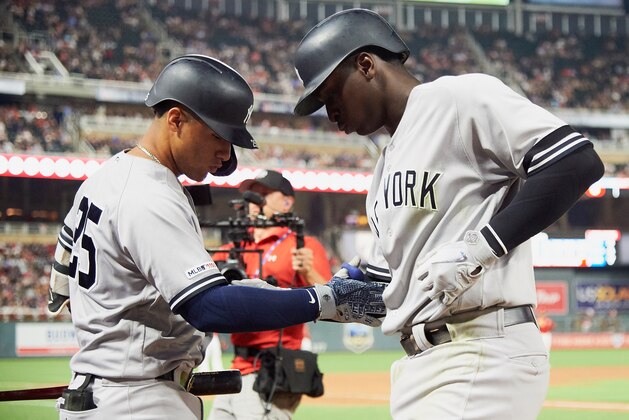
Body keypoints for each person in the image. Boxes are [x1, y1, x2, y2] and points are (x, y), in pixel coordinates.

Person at [293, 9, 605, 419]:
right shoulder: (384, 169)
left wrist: (481, 248)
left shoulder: (458, 99)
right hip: (419, 365)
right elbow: (390, 293)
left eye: (331, 94)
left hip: (482, 347)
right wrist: (308, 299)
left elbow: (575, 161)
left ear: (366, 65)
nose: (330, 113)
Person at [46, 54, 385, 420]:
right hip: (137, 398)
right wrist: (325, 300)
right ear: (176, 119)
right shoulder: (149, 193)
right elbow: (207, 308)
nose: (226, 153)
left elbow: (59, 292)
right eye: (219, 136)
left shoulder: (104, 179)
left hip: (106, 389)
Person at [209, 169, 332, 420]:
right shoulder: (235, 246)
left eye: (263, 194)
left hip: (273, 373)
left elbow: (333, 300)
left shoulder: (302, 245)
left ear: (287, 202)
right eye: (251, 195)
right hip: (236, 369)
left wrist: (309, 272)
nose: (254, 201)